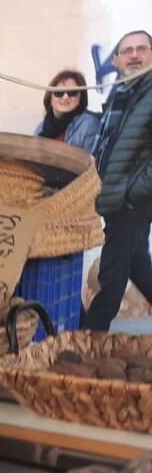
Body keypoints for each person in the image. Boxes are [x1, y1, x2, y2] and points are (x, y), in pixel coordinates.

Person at [83, 30, 152, 331]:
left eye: (141, 49)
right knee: (137, 264)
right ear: (116, 60)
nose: (134, 55)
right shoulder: (122, 93)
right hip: (115, 197)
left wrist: (132, 192)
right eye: (127, 51)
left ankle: (85, 340)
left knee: (111, 275)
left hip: (130, 200)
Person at [35, 70, 100, 150]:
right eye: (59, 92)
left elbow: (90, 158)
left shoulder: (89, 125)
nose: (65, 97)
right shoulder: (41, 126)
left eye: (72, 92)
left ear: (81, 98)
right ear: (50, 97)